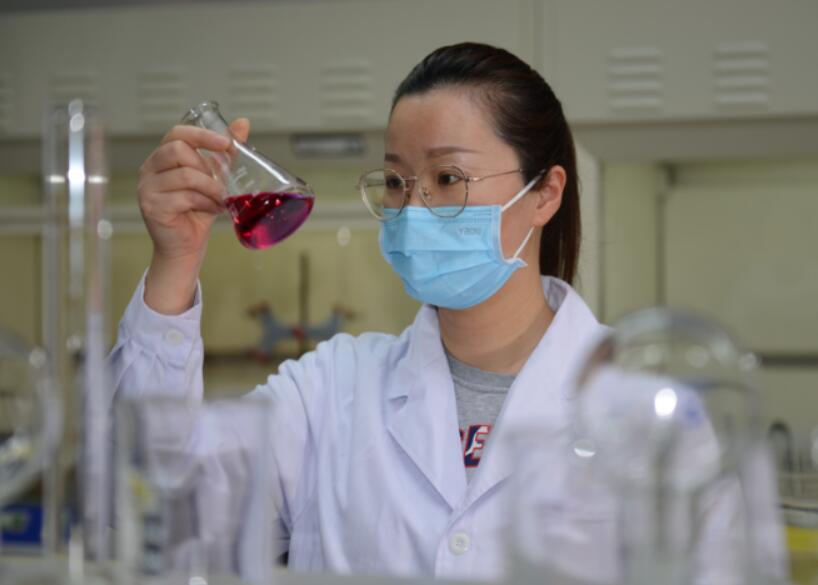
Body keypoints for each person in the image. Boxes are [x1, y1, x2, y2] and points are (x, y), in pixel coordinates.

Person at [111, 43, 775, 582]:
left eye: (448, 179)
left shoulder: (649, 407)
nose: (414, 208)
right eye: (398, 182)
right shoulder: (331, 390)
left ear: (545, 194)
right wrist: (176, 261)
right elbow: (157, 515)